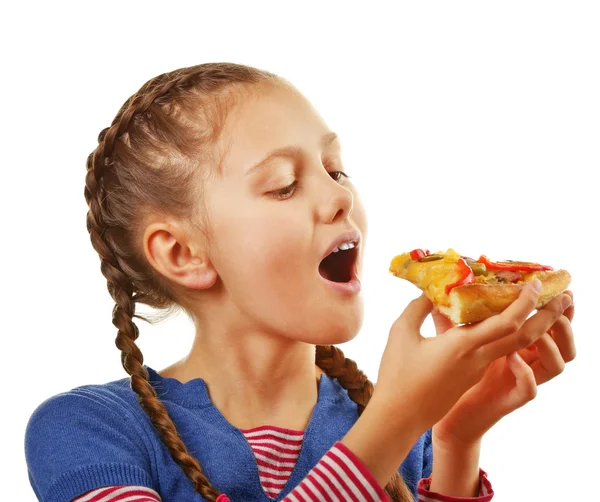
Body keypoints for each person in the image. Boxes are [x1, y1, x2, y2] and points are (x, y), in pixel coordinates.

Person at [24, 62, 576, 502]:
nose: (341, 197)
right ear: (182, 253)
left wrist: (456, 438)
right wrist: (395, 424)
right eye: (284, 185)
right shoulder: (88, 431)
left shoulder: (403, 431)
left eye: (336, 170)